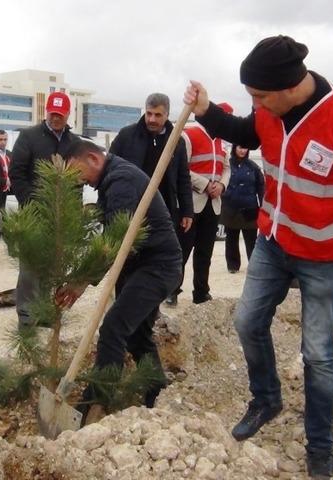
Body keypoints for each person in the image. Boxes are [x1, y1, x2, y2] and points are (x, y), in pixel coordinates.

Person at [184, 35, 333, 478]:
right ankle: (267, 399)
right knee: (247, 321)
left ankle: (320, 445)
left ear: (288, 86)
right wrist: (207, 110)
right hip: (274, 242)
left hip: (325, 255)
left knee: (318, 354)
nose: (255, 104)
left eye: (259, 96)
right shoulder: (269, 112)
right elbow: (244, 131)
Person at [56, 141, 182, 411]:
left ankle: (96, 400)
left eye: (77, 173)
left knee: (114, 327)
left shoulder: (121, 180)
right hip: (140, 265)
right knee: (136, 335)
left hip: (157, 266)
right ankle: (156, 390)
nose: (80, 182)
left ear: (92, 158)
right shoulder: (112, 178)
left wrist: (81, 282)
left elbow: (115, 240)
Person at [109, 93, 193, 305]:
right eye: (149, 113)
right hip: (129, 213)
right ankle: (122, 306)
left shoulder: (177, 142)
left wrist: (186, 210)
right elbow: (108, 170)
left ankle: (150, 310)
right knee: (126, 264)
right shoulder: (127, 136)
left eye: (158, 114)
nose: (152, 119)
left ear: (167, 115)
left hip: (162, 214)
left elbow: (183, 177)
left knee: (155, 264)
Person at [9, 92, 80, 327]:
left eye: (60, 115)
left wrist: (73, 210)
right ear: (46, 112)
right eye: (52, 114)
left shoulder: (74, 143)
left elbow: (77, 180)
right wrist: (31, 203)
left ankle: (47, 312)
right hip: (34, 212)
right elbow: (17, 173)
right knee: (30, 267)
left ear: (68, 115)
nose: (55, 118)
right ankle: (27, 316)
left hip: (60, 215)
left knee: (53, 265)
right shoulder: (29, 137)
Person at [178, 108, 232, 304]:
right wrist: (205, 184)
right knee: (183, 250)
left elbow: (227, 168)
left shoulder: (221, 141)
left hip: (213, 203)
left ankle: (201, 292)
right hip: (192, 202)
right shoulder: (189, 134)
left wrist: (222, 184)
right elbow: (182, 168)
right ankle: (173, 290)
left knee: (205, 253)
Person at [221, 144, 264, 273]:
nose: (243, 150)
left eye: (245, 148)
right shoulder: (227, 165)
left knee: (251, 240)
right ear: (234, 148)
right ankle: (233, 265)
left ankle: (254, 264)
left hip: (249, 208)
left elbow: (261, 186)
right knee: (231, 239)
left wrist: (263, 205)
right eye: (240, 147)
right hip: (230, 207)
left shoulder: (253, 166)